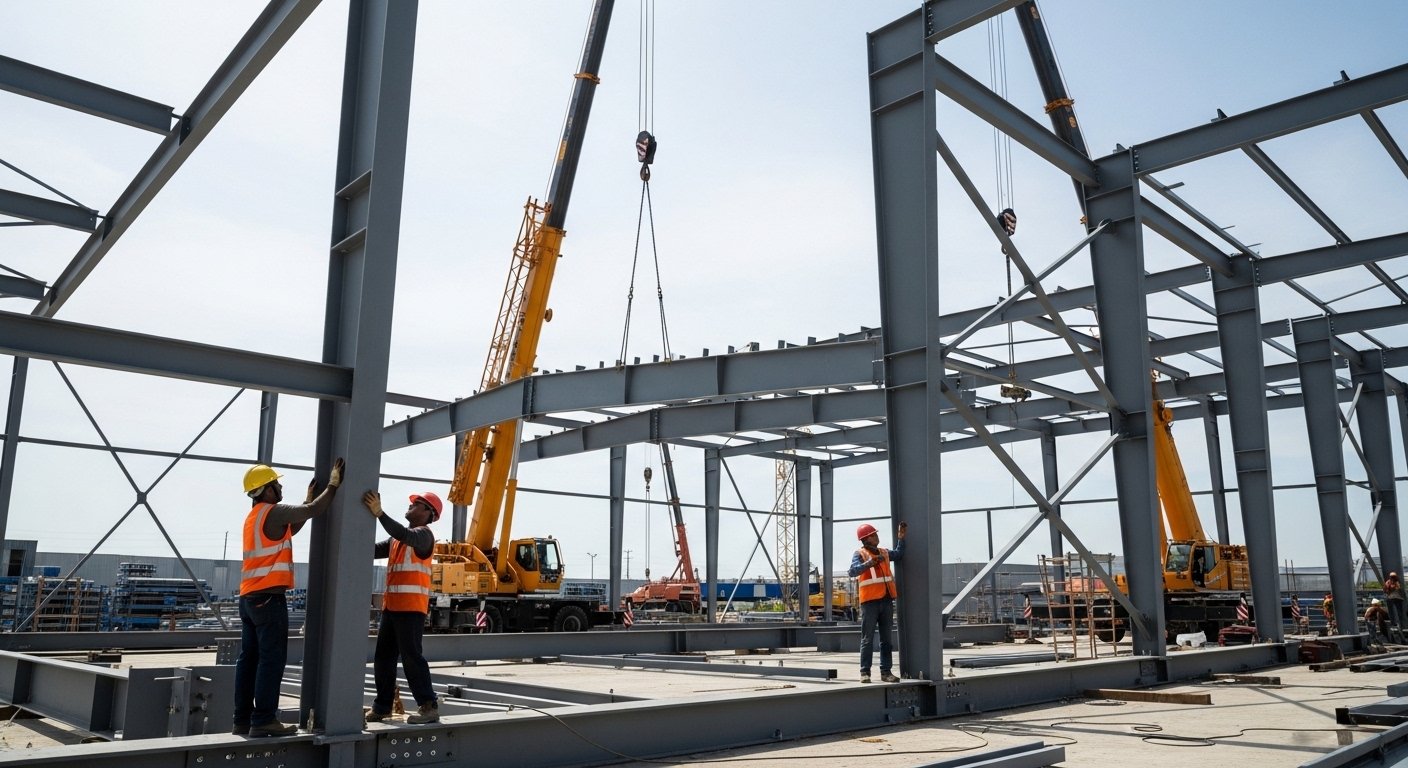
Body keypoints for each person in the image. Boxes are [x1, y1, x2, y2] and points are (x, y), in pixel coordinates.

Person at [233, 457, 344, 737]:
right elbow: (314, 510)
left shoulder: (255, 516)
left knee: (249, 660)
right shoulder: (274, 510)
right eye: (276, 484)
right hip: (269, 599)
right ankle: (264, 719)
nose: (280, 487)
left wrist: (308, 497)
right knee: (271, 659)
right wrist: (332, 485)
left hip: (249, 599)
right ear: (266, 489)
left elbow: (293, 526)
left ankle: (242, 720)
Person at [363, 489, 443, 725]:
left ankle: (428, 706)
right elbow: (372, 549)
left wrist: (380, 513)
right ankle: (383, 705)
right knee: (383, 658)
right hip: (393, 608)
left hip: (410, 608)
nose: (411, 506)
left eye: (417, 504)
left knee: (411, 657)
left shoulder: (423, 536)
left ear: (429, 513)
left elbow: (402, 532)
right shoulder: (396, 540)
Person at [848, 520, 907, 684]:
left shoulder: (884, 553)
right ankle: (865, 672)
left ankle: (886, 672)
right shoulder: (860, 554)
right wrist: (869, 563)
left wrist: (901, 538)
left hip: (886, 601)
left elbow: (899, 554)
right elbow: (852, 571)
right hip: (870, 603)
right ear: (867, 539)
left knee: (886, 639)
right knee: (867, 639)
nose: (877, 537)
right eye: (874, 535)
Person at [1384, 571, 1405, 637]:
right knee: (1395, 612)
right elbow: (1386, 590)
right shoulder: (1392, 582)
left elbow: (1387, 590)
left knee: (1398, 613)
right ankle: (1396, 624)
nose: (1393, 578)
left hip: (1395, 598)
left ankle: (1398, 625)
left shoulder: (1394, 582)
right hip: (1394, 598)